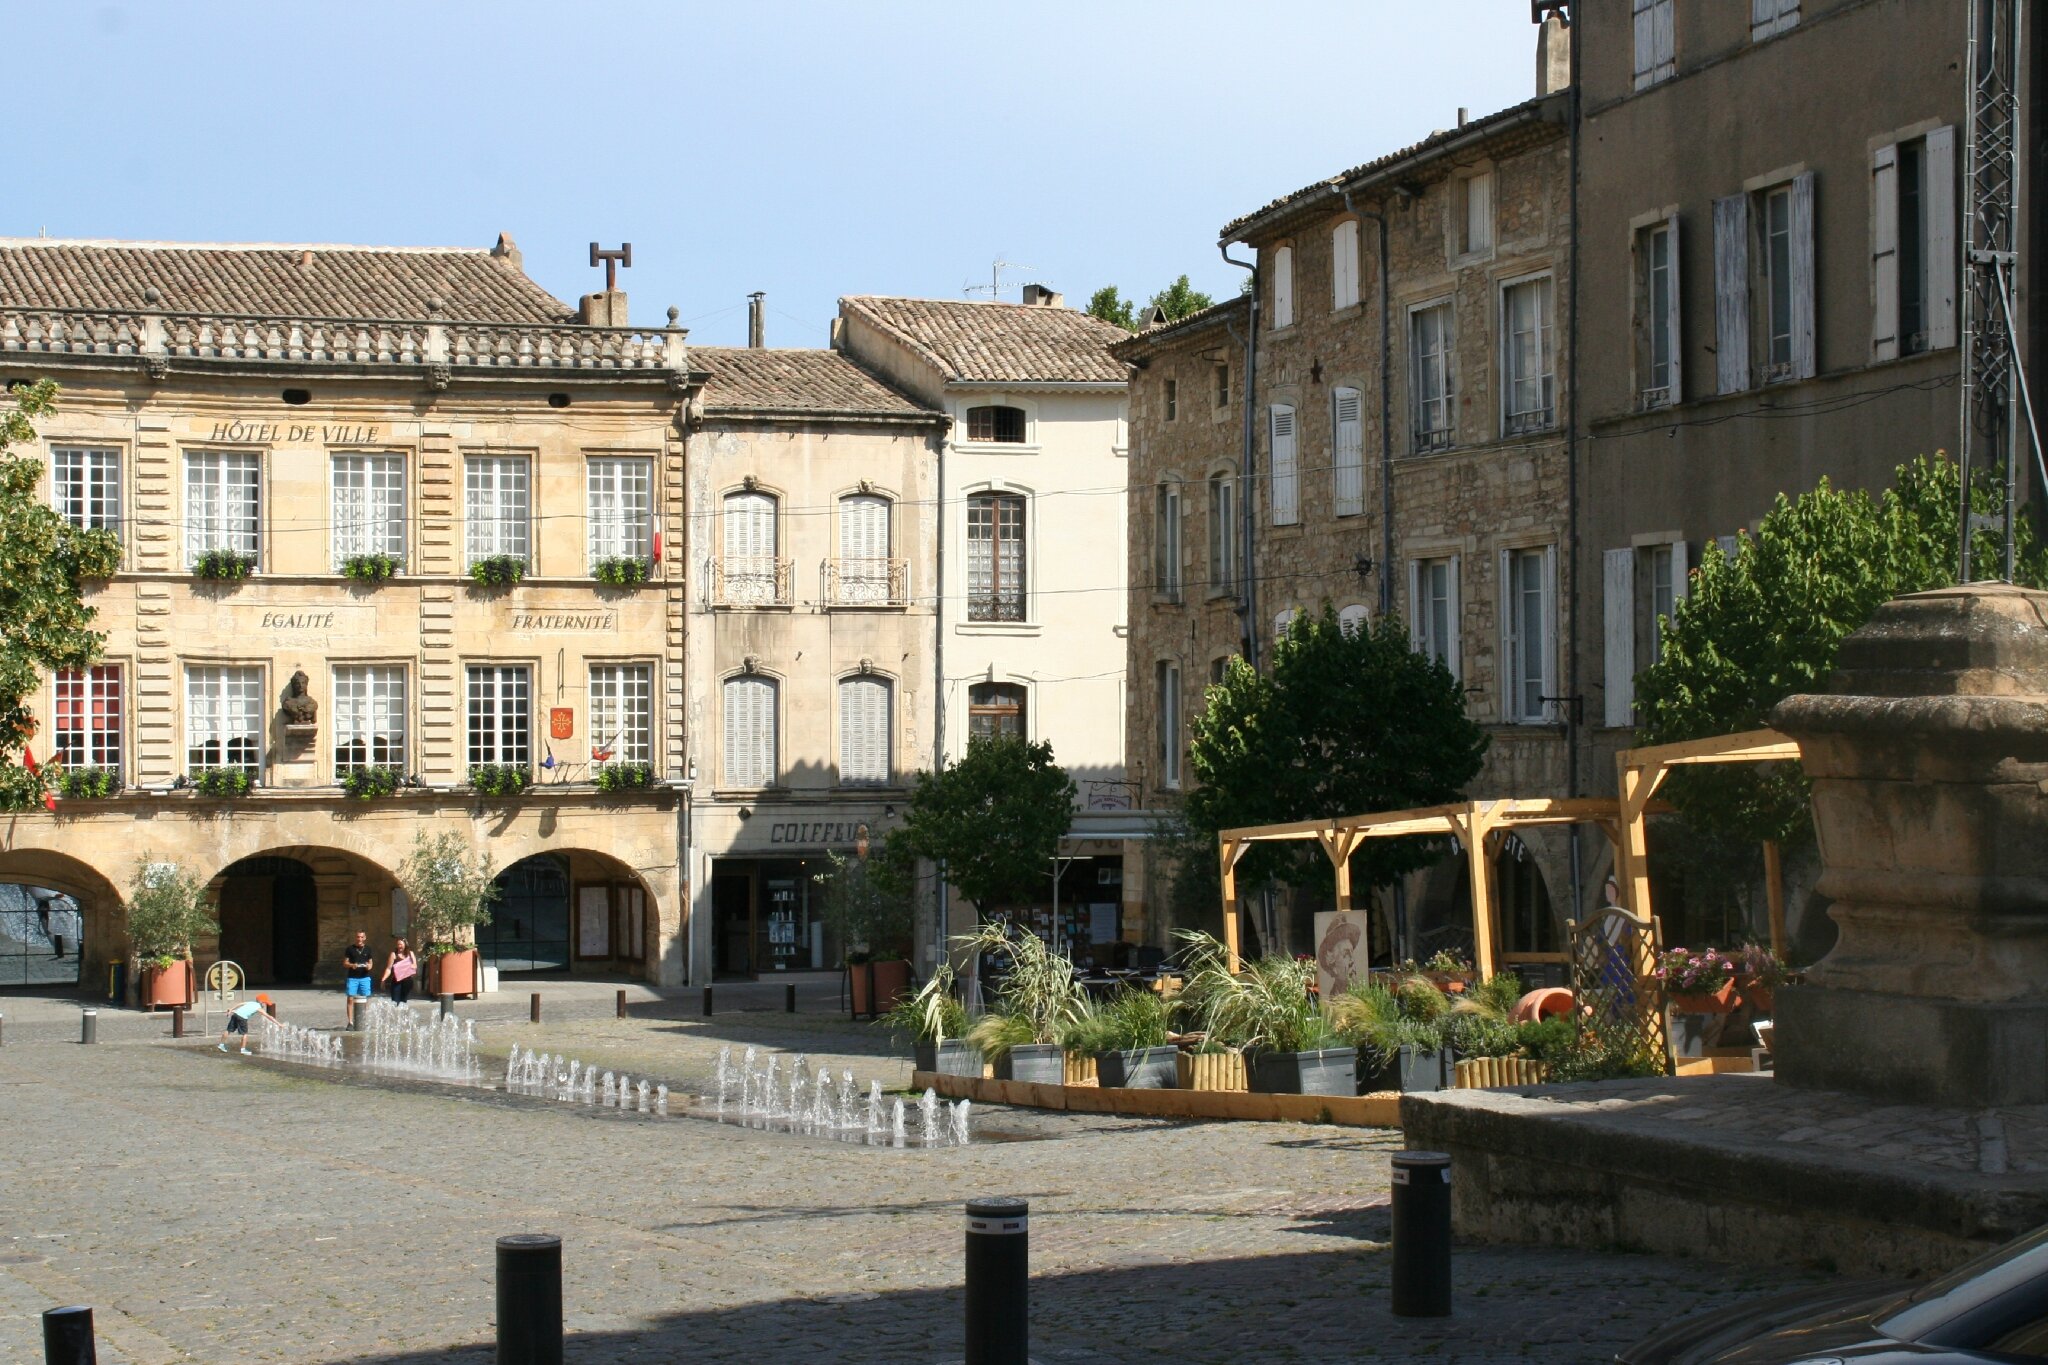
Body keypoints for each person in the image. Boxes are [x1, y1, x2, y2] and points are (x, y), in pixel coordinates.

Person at [343, 930, 374, 1026]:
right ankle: (350, 1022)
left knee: (366, 999)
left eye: (361, 937)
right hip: (353, 978)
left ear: (365, 938)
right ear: (356, 938)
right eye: (358, 937)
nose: (359, 939)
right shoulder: (350, 949)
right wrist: (352, 965)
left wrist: (369, 966)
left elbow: (370, 962)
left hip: (365, 977)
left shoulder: (368, 949)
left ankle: (364, 1020)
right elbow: (345, 963)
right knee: (350, 999)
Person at [382, 936, 418, 1005]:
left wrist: (410, 967)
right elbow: (388, 968)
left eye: (401, 944)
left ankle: (402, 1014)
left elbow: (415, 965)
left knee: (403, 1002)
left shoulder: (410, 954)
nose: (399, 946)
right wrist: (384, 979)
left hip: (407, 982)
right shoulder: (393, 955)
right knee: (395, 1002)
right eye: (398, 944)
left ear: (405, 945)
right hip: (396, 981)